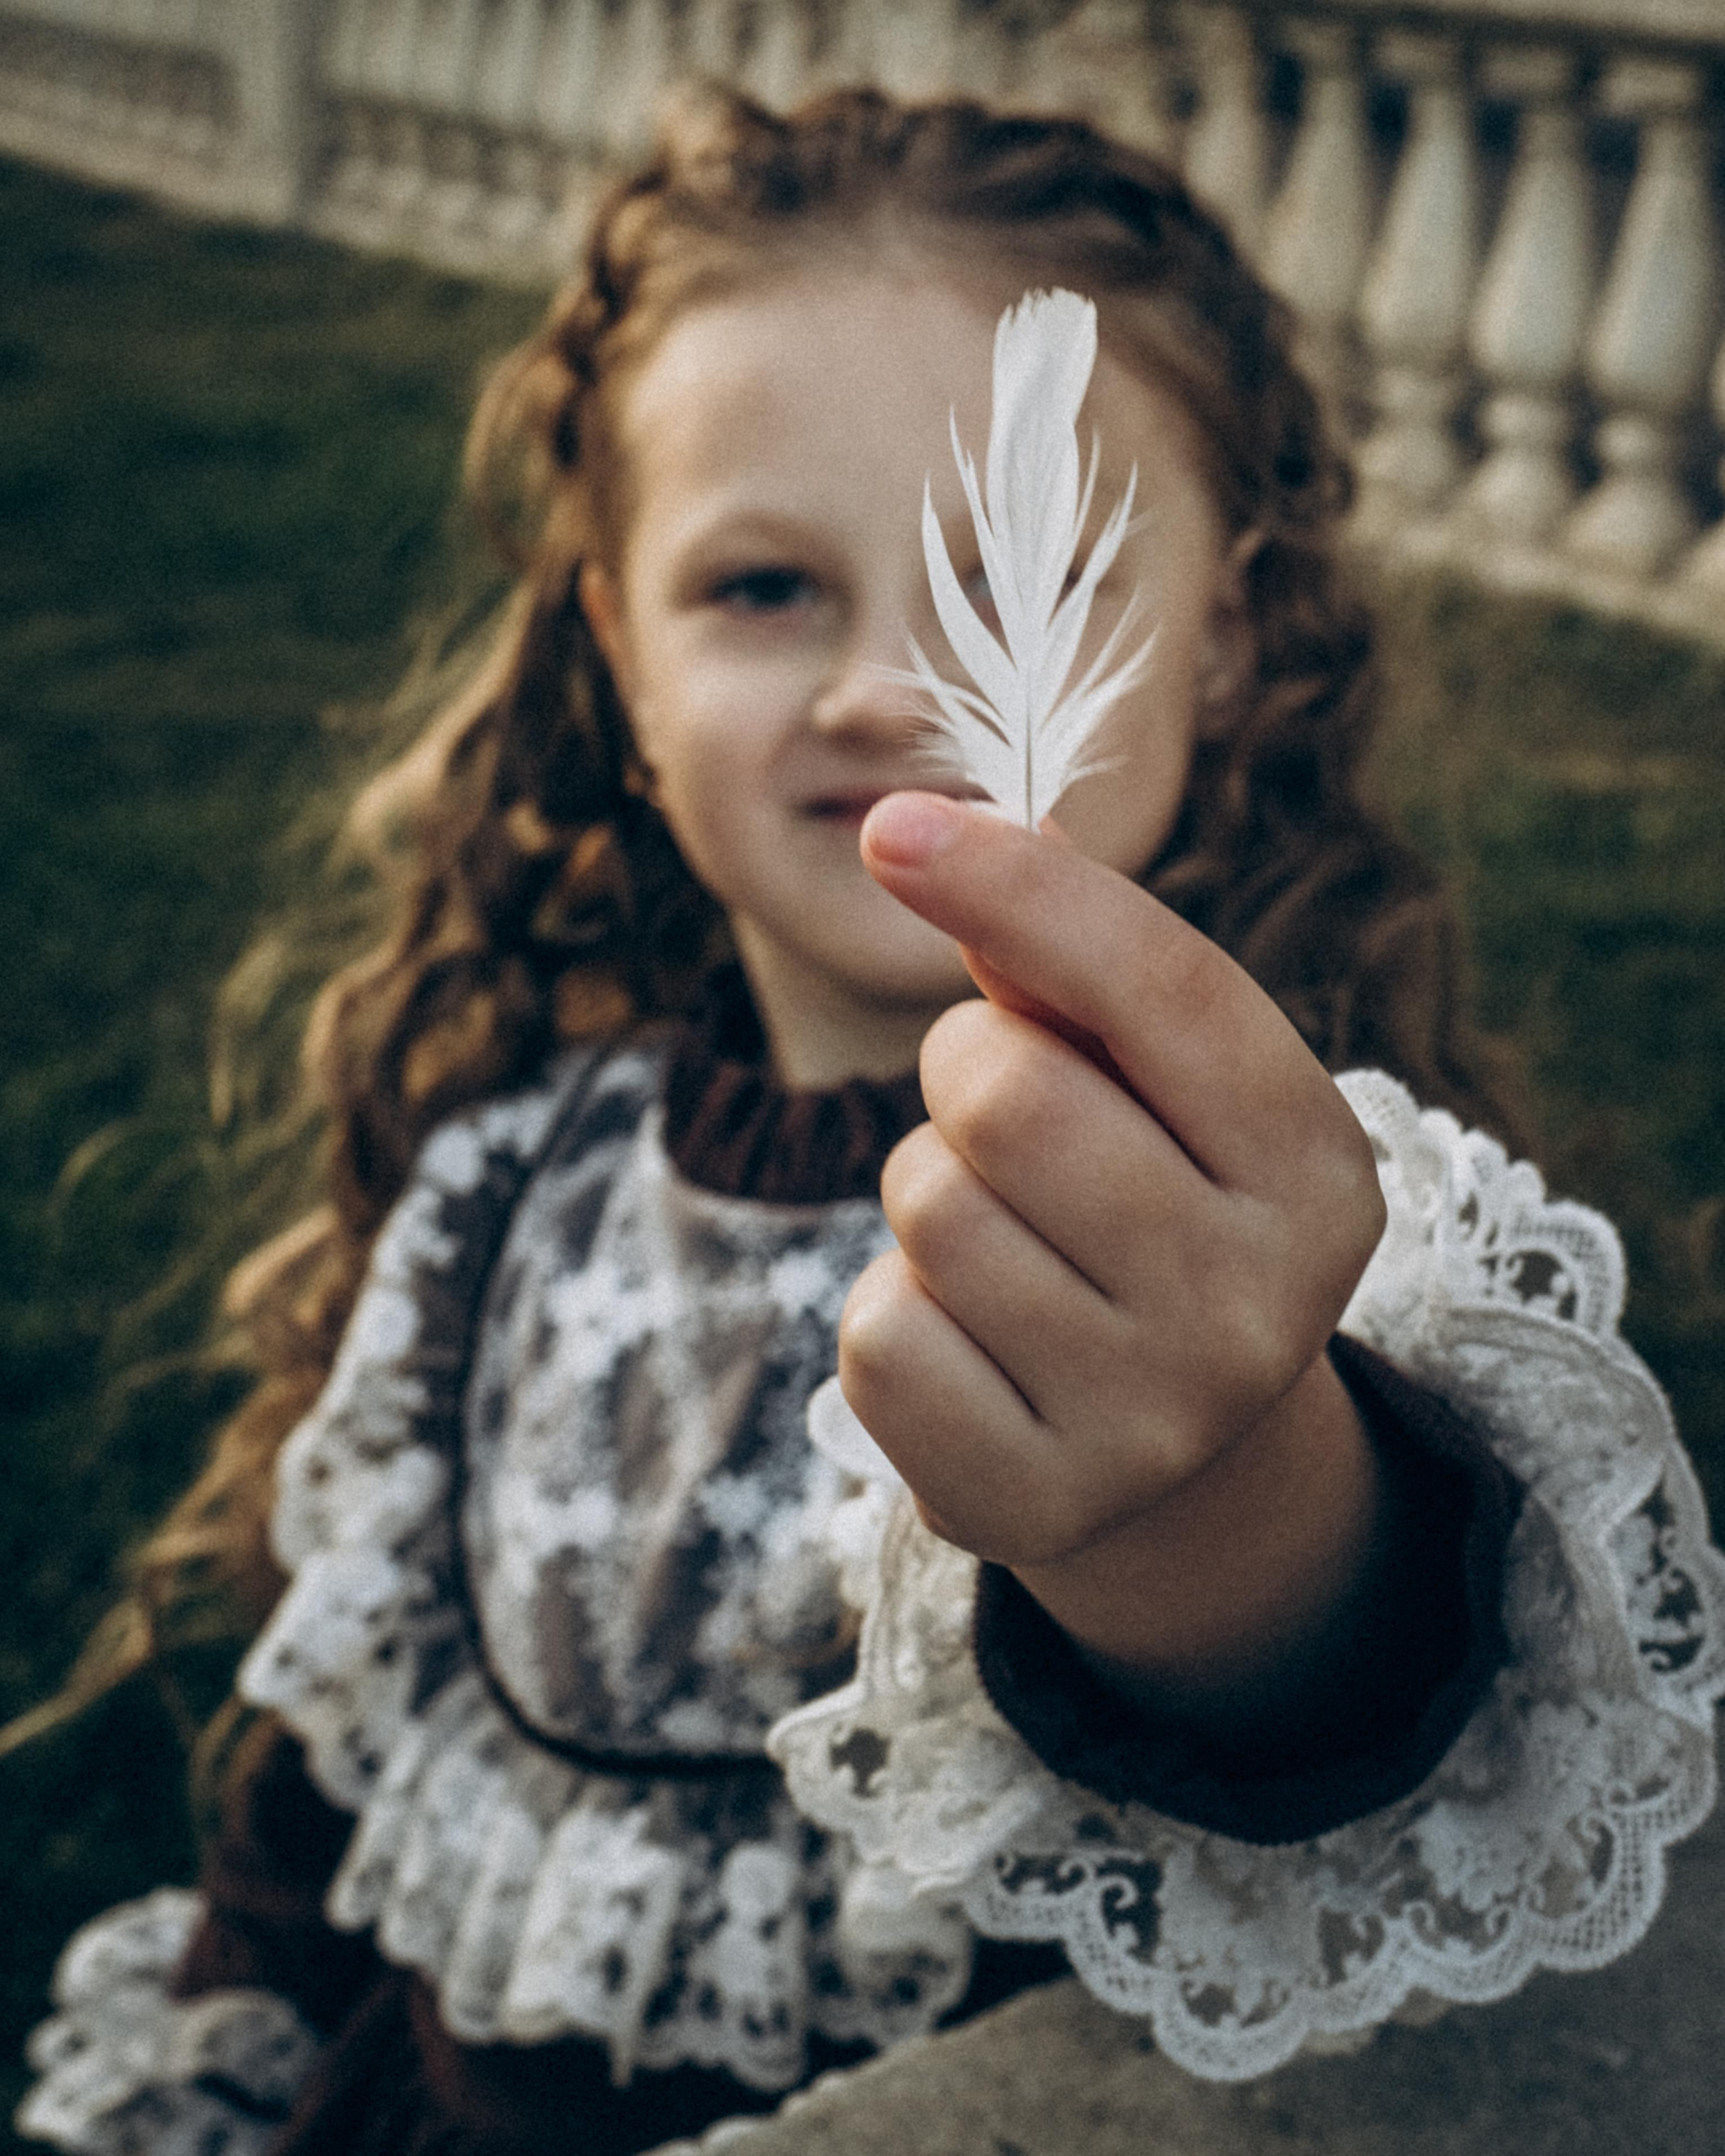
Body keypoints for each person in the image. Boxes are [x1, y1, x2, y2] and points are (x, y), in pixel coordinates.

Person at [18, 82, 1724, 2156]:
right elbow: (339, 1784)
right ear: (614, 659)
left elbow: (1373, 1709)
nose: (887, 684)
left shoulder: (1290, 1224)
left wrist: (1223, 1515)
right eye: (762, 589)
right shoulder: (496, 1192)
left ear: (1235, 639)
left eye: (1014, 575)